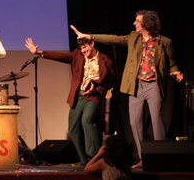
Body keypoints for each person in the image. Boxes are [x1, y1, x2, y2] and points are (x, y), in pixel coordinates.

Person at [71, 9, 184, 168]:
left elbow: (172, 63)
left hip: (153, 85)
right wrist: (90, 37)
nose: (134, 23)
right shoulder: (133, 38)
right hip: (136, 86)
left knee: (156, 120)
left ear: (147, 23)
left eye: (137, 21)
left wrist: (175, 71)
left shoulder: (164, 42)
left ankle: (160, 157)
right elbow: (114, 39)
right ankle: (143, 157)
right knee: (134, 122)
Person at [25, 36, 114, 165]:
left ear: (92, 43)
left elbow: (110, 80)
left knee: (87, 121)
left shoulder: (105, 60)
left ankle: (94, 157)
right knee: (73, 131)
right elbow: (61, 56)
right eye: (81, 48)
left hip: (93, 96)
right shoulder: (78, 55)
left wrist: (97, 89)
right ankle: (84, 160)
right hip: (78, 96)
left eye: (85, 47)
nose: (83, 51)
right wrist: (39, 52)